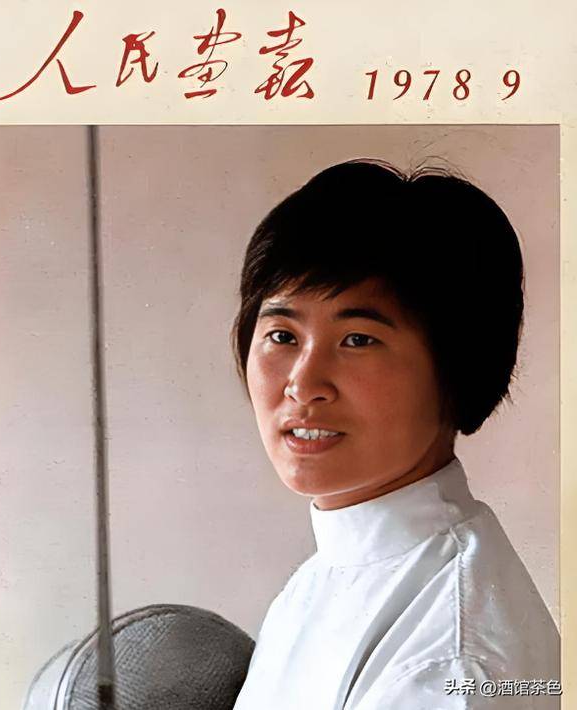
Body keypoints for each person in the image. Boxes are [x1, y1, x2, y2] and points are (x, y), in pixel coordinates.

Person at [230, 160, 560, 709]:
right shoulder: (322, 577)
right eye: (282, 335)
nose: (303, 384)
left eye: (358, 339)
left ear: (458, 369)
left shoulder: (453, 660)